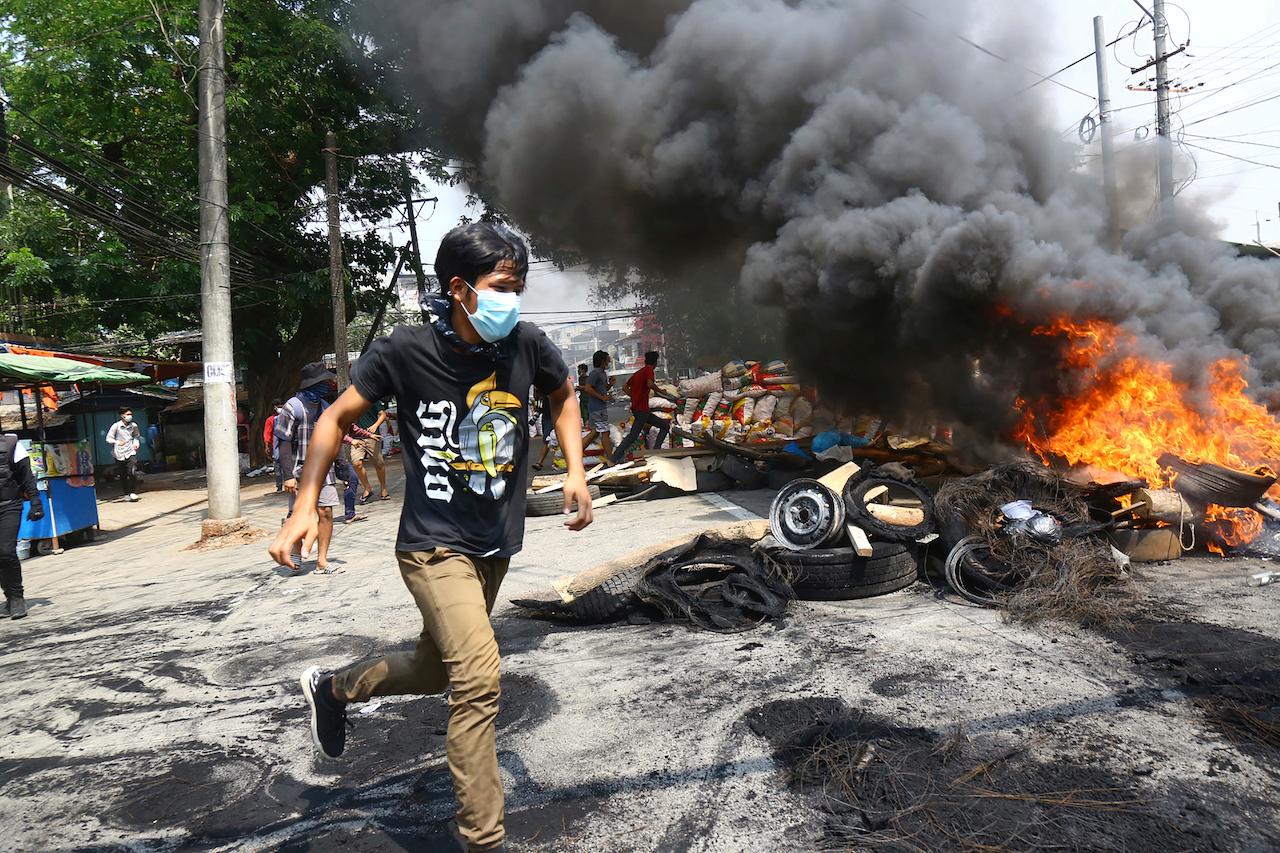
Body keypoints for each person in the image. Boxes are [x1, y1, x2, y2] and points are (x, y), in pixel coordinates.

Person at [269, 222, 593, 853]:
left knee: (431, 667)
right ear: (459, 289)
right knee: (477, 679)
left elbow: (564, 396)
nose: (513, 298)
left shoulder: (526, 343)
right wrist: (304, 504)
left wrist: (577, 470)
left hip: (494, 541)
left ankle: (334, 690)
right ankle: (484, 841)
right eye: (502, 285)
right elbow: (337, 418)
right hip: (431, 542)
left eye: (518, 286)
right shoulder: (404, 351)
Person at [275, 363, 342, 574]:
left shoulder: (326, 408)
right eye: (324, 383)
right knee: (297, 514)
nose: (328, 386)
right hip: (298, 472)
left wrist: (342, 467)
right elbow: (283, 442)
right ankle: (295, 552)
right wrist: (287, 476)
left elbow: (334, 438)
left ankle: (322, 561)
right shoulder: (292, 407)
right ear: (314, 384)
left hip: (325, 472)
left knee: (326, 512)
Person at [0, 434, 44, 619]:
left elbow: (27, 477)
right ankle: (9, 597)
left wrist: (36, 503)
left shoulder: (10, 445)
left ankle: (17, 596)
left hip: (8, 505)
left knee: (6, 550)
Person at [611, 351, 674, 463]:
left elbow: (625, 387)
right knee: (633, 436)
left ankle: (656, 452)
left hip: (640, 409)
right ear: (655, 362)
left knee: (664, 426)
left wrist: (634, 397)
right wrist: (660, 390)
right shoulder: (649, 370)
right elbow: (649, 384)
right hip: (642, 410)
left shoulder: (638, 373)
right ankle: (614, 458)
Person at [353, 397, 391, 504]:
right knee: (356, 463)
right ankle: (367, 488)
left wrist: (375, 425)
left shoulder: (372, 398)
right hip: (356, 437)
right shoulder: (351, 400)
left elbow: (383, 414)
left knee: (379, 464)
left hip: (372, 436)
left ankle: (383, 488)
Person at [581, 350, 616, 463]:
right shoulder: (595, 373)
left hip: (597, 407)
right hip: (598, 408)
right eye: (607, 359)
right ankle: (611, 459)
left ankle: (574, 453)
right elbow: (588, 388)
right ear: (602, 361)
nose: (609, 361)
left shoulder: (602, 373)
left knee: (594, 433)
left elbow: (601, 389)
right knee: (605, 433)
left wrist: (610, 384)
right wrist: (602, 398)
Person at [105, 407, 141, 502]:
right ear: (122, 416)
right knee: (123, 475)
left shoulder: (134, 425)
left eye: (131, 414)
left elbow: (136, 436)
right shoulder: (116, 426)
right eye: (128, 414)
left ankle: (133, 492)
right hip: (119, 454)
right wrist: (117, 442)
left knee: (132, 473)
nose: (130, 416)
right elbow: (108, 439)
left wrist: (136, 443)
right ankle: (126, 493)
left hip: (131, 452)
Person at [263, 399, 283, 492]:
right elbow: (267, 433)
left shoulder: (287, 417)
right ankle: (279, 485)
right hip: (277, 446)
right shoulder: (270, 420)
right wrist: (267, 445)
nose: (279, 408)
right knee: (278, 465)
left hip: (287, 444)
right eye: (278, 406)